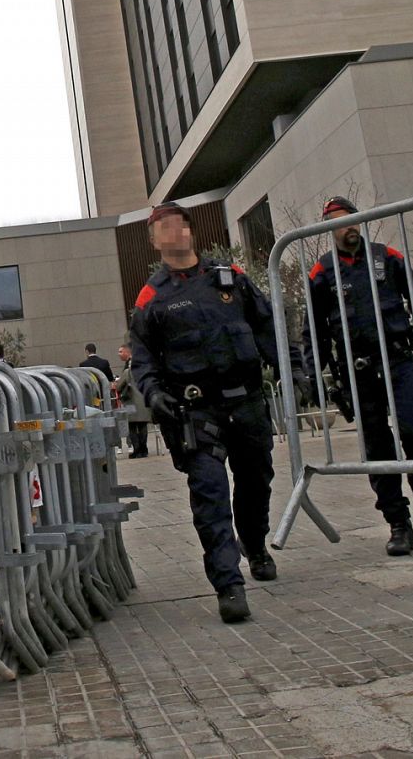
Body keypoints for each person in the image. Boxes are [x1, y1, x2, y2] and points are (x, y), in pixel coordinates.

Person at [129, 202, 282, 623]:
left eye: (177, 225)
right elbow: (142, 359)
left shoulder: (230, 279)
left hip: (246, 403)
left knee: (256, 482)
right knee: (210, 496)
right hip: (197, 411)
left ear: (190, 231)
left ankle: (254, 543)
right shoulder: (152, 297)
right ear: (154, 241)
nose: (171, 234)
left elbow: (268, 326)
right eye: (161, 229)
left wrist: (295, 368)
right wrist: (153, 392)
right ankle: (228, 584)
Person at [307, 196, 413, 557]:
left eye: (351, 219)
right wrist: (312, 371)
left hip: (399, 360)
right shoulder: (322, 272)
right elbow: (315, 330)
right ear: (328, 229)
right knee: (378, 449)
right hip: (359, 370)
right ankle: (398, 523)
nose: (347, 226)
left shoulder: (386, 257)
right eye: (338, 222)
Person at [114, 343, 152, 457]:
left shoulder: (127, 372)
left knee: (132, 427)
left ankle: (136, 450)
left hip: (131, 403)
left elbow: (119, 386)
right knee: (142, 426)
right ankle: (144, 449)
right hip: (143, 402)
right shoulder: (144, 371)